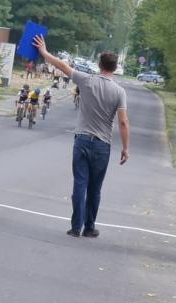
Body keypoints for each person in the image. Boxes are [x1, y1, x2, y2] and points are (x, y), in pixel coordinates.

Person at [33, 34, 129, 239]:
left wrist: (44, 51)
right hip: (102, 144)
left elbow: (62, 65)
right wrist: (125, 148)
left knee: (80, 184)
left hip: (83, 140)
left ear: (99, 65)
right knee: (95, 189)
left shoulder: (86, 81)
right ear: (114, 68)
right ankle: (89, 227)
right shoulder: (119, 92)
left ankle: (75, 227)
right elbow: (123, 122)